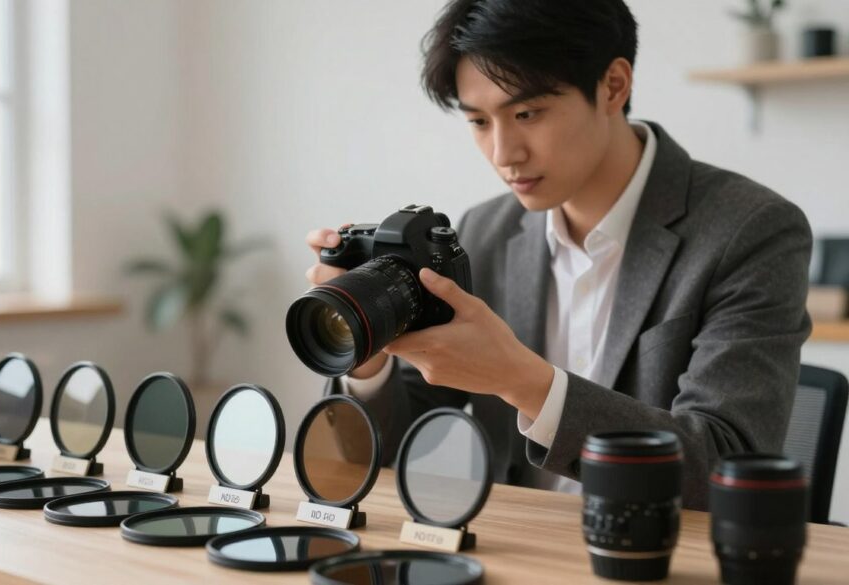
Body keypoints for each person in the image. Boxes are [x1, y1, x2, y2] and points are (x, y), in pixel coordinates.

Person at [303, 0, 811, 510]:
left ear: (613, 86)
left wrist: (524, 381)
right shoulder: (484, 230)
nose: (504, 154)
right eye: (479, 121)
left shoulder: (751, 230)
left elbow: (724, 465)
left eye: (527, 113)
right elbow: (386, 446)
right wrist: (367, 359)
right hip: (516, 550)